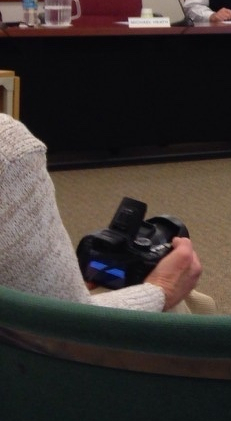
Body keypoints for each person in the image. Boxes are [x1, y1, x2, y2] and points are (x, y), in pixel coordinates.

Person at [0, 115, 203, 311]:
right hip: (46, 336)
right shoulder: (9, 150)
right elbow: (62, 324)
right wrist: (161, 290)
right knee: (190, 304)